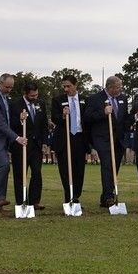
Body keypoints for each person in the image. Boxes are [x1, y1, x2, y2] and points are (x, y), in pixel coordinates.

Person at [0, 74, 27, 212]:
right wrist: (16, 138)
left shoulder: (4, 98)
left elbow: (8, 118)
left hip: (1, 139)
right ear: (0, 83)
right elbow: (0, 123)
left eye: (11, 87)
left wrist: (20, 119)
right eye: (7, 87)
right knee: (3, 165)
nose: (9, 90)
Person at [85, 76, 129, 207]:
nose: (120, 89)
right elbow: (87, 117)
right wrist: (103, 113)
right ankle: (109, 196)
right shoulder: (94, 98)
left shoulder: (123, 99)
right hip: (102, 138)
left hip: (118, 139)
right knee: (107, 166)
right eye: (118, 87)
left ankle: (105, 196)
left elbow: (124, 118)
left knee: (114, 167)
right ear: (110, 87)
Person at [50, 74, 89, 206]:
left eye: (69, 86)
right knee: (65, 169)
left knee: (79, 169)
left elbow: (88, 120)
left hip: (79, 138)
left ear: (75, 85)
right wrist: (62, 115)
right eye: (64, 86)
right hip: (64, 138)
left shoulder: (84, 100)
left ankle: (76, 196)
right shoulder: (57, 100)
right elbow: (54, 118)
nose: (66, 89)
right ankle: (69, 196)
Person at [9, 81, 48, 210]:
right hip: (21, 145)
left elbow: (43, 125)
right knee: (20, 174)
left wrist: (44, 142)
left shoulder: (40, 104)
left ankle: (34, 200)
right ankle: (21, 201)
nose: (35, 98)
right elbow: (10, 125)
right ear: (25, 94)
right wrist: (20, 120)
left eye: (36, 95)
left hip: (37, 145)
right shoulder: (15, 105)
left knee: (37, 173)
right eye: (32, 96)